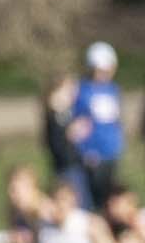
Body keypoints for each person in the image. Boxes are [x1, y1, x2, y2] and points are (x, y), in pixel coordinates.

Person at [50, 45, 128, 206]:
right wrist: (86, 149)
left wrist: (118, 143)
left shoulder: (113, 90)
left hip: (110, 152)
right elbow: (76, 123)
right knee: (90, 201)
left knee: (109, 199)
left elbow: (116, 120)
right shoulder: (82, 90)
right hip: (90, 156)